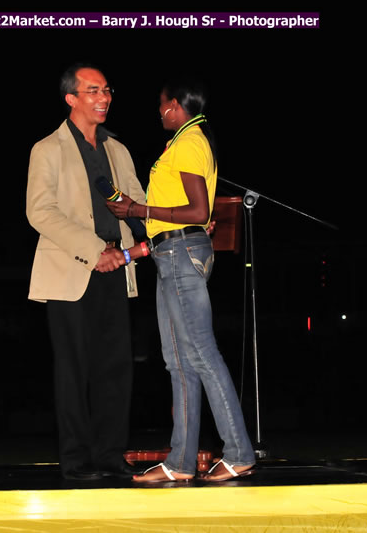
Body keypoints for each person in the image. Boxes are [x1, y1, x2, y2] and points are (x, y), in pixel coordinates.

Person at [106, 78, 256, 483]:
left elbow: (197, 210)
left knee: (203, 355)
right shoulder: (184, 143)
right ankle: (179, 463)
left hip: (181, 253)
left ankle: (240, 452)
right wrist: (138, 223)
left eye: (161, 105)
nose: (158, 112)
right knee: (178, 363)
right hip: (168, 254)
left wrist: (138, 207)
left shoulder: (190, 143)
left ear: (175, 106)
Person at [26, 63, 146, 481]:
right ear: (71, 98)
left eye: (107, 89)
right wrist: (96, 251)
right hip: (71, 270)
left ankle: (110, 457)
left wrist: (177, 223)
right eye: (93, 90)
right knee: (73, 370)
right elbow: (40, 211)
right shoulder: (48, 148)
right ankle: (76, 462)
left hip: (118, 267)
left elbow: (138, 203)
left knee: (116, 368)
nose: (104, 97)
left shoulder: (119, 149)